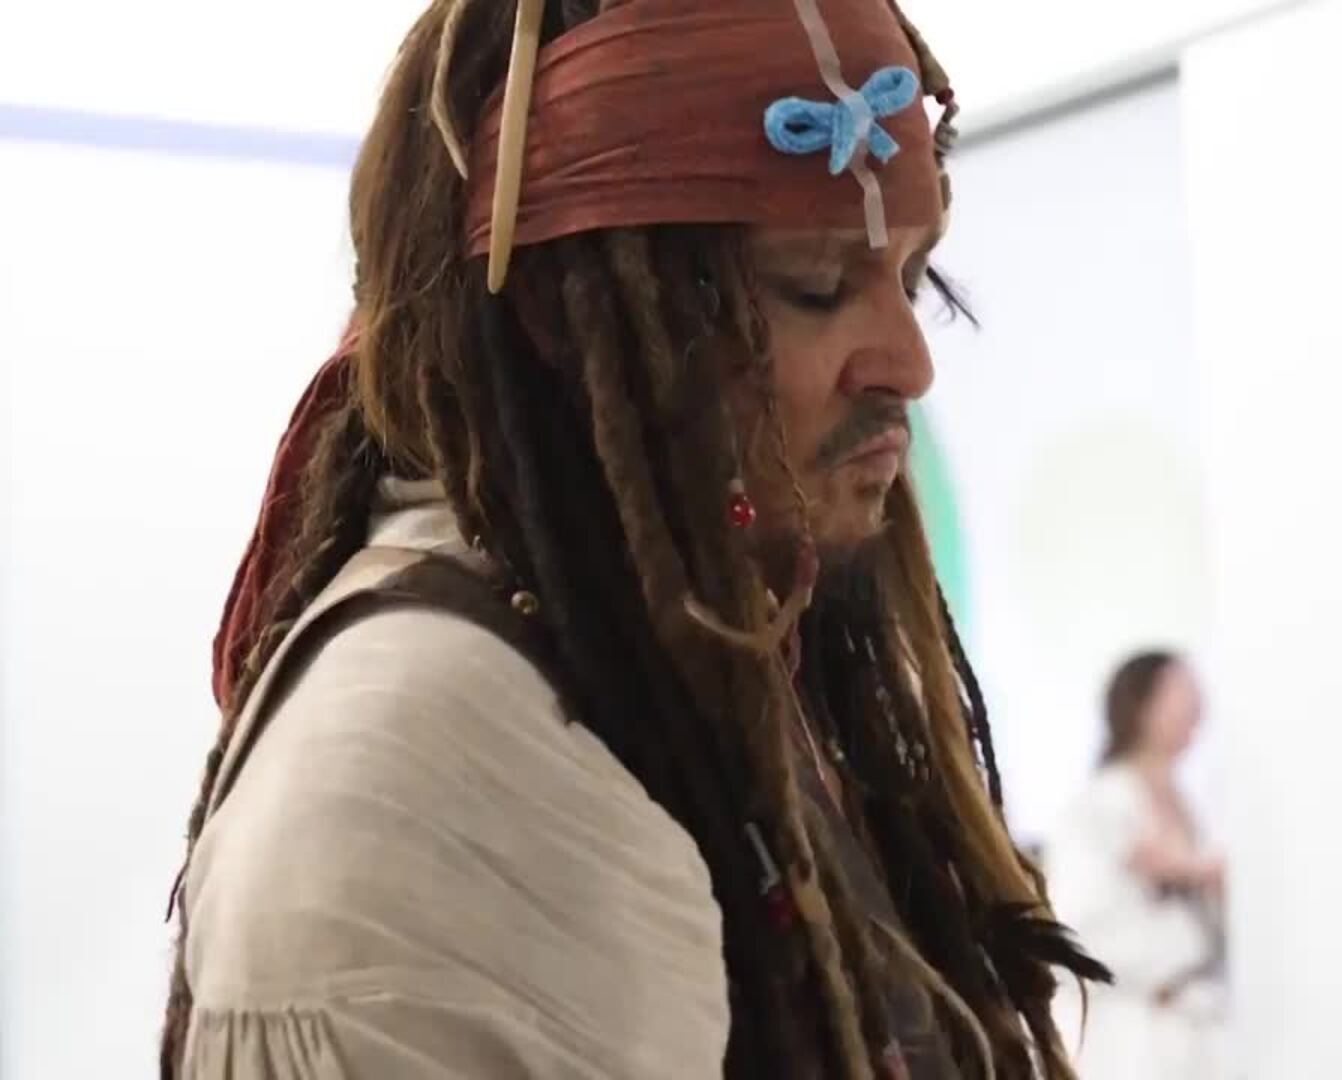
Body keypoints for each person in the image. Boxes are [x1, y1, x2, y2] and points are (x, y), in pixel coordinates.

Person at [158, 0, 1104, 1076]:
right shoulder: (421, 752)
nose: (909, 363)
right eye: (816, 287)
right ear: (564, 317)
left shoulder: (700, 650)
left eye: (914, 278)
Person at [1046, 651, 1229, 1078]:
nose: (1196, 703)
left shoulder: (1189, 805)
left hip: (1193, 1033)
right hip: (1130, 1041)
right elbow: (1075, 938)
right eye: (1180, 689)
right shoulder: (1097, 808)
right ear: (1141, 705)